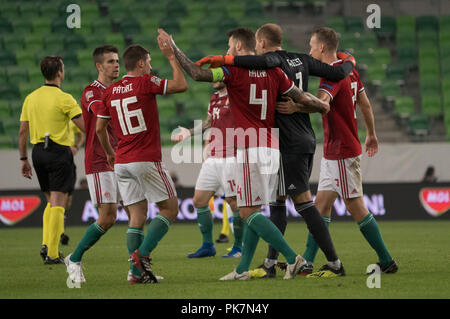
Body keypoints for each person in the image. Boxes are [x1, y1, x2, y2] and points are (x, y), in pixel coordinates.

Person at [158, 27, 329, 280]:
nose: (227, 51)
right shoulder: (276, 71)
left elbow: (196, 73)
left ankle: (293, 259)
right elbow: (302, 96)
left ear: (239, 47)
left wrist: (173, 49)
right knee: (254, 210)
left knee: (249, 212)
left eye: (229, 47)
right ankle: (242, 270)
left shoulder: (232, 70)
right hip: (272, 147)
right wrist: (322, 106)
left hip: (249, 147)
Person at [196, 23, 352, 278]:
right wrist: (349, 59)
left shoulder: (271, 61)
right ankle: (270, 263)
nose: (257, 50)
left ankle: (331, 262)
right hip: (303, 137)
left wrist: (223, 59)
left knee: (302, 202)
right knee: (277, 202)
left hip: (286, 140)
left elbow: (246, 62)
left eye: (257, 45)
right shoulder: (302, 59)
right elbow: (338, 73)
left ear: (263, 43)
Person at [302, 27, 397, 276]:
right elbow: (364, 103)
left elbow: (322, 104)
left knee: (355, 206)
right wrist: (372, 134)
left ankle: (386, 260)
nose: (309, 50)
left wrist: (296, 105)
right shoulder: (349, 69)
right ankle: (307, 264)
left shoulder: (332, 76)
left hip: (342, 150)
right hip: (337, 149)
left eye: (312, 45)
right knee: (320, 205)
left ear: (322, 47)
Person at [96, 41, 188, 284]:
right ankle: (141, 256)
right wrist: (171, 57)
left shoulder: (110, 91)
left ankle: (135, 274)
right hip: (145, 159)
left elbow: (99, 129)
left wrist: (109, 153)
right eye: (148, 61)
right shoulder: (146, 82)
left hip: (121, 162)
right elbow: (181, 85)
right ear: (140, 63)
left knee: (136, 217)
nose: (150, 65)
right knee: (169, 209)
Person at [65, 45, 126, 284]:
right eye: (111, 61)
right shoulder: (91, 92)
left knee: (136, 211)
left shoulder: (119, 89)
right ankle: (75, 258)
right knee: (108, 217)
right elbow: (100, 112)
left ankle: (138, 267)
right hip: (101, 160)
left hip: (121, 158)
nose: (116, 65)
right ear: (99, 66)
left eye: (117, 61)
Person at [18, 55, 85, 264]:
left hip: (38, 152)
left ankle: (46, 243)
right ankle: (53, 254)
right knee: (58, 202)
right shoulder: (64, 98)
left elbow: (22, 132)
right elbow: (86, 127)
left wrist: (23, 159)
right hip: (58, 152)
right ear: (59, 72)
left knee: (50, 201)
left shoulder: (31, 97)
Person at [172, 82, 244, 258]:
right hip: (213, 157)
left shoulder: (237, 94)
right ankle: (208, 246)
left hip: (231, 157)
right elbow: (209, 123)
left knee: (233, 202)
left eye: (216, 74)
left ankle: (239, 247)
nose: (212, 78)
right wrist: (189, 132)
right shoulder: (214, 98)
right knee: (199, 200)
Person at [60, 120, 84, 246]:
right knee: (59, 197)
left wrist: (76, 147)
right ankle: (59, 231)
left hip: (69, 161)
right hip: (57, 158)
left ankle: (59, 225)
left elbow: (81, 135)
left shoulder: (72, 119)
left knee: (68, 200)